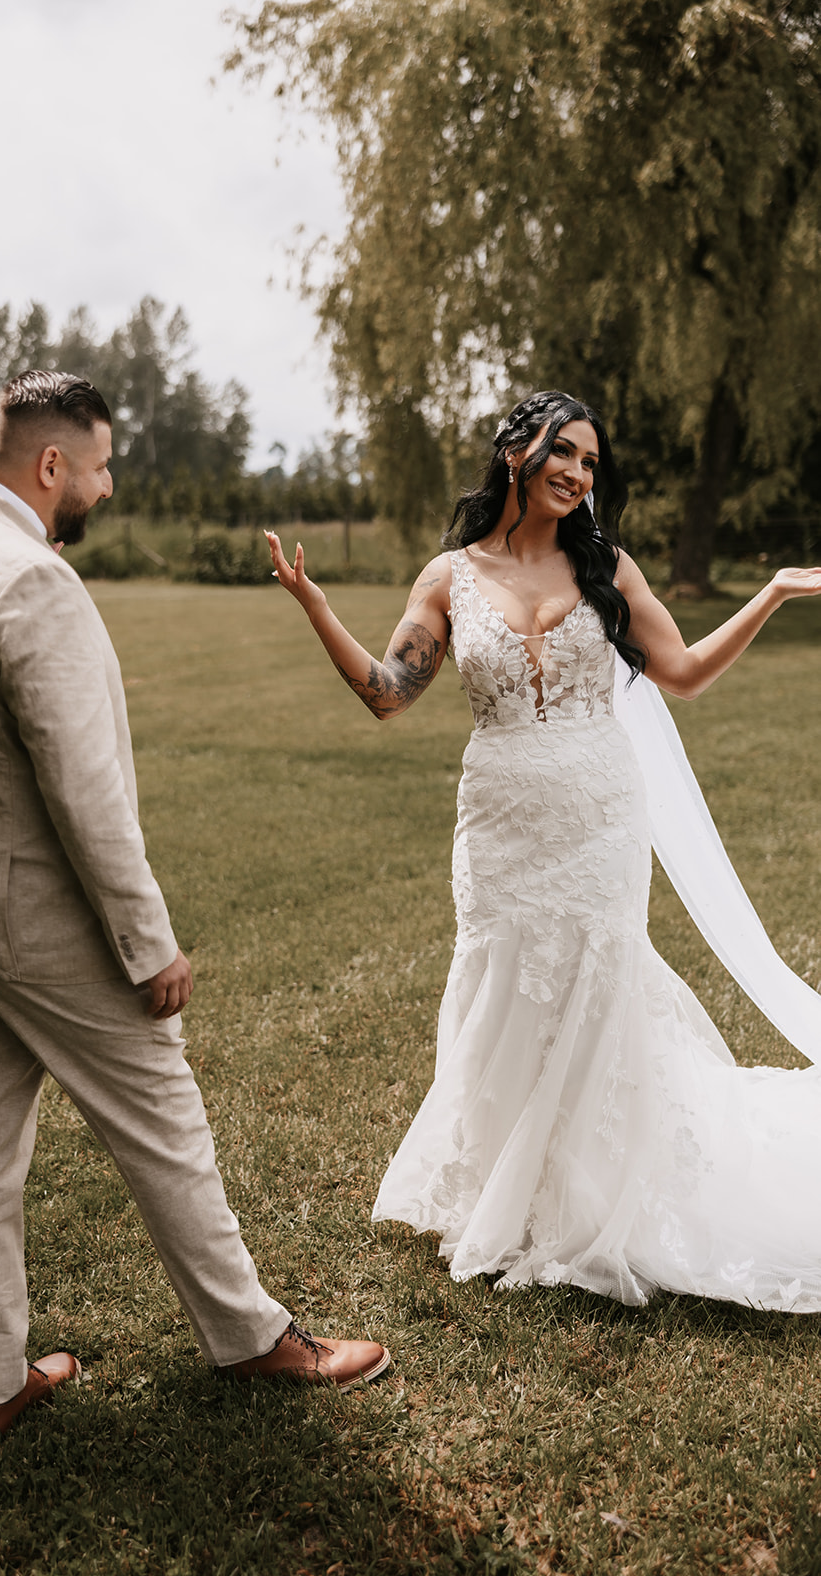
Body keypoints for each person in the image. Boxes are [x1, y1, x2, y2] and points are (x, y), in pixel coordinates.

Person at [0, 370, 389, 1438]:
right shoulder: (31, 581)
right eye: (102, 466)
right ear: (52, 463)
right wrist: (146, 942)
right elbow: (84, 791)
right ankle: (253, 1336)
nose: (108, 488)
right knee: (165, 1119)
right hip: (36, 922)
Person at [267, 388, 821, 1312]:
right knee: (502, 979)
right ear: (514, 451)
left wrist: (766, 594)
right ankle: (505, 1180)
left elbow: (679, 675)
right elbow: (388, 691)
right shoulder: (447, 577)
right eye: (561, 451)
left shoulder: (604, 566)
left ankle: (594, 1191)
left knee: (595, 980)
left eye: (590, 462)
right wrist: (316, 607)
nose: (575, 471)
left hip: (599, 811)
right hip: (497, 820)